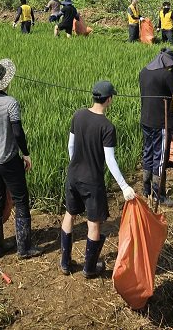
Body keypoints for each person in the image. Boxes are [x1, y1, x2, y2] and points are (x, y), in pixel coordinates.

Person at [59, 80, 136, 277]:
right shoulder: (107, 127)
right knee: (94, 223)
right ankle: (89, 268)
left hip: (73, 175)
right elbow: (110, 160)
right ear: (109, 99)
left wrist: (76, 164)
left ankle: (65, 263)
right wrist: (124, 186)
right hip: (92, 181)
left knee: (70, 214)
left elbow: (70, 146)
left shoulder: (78, 115)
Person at [0, 59, 42, 259]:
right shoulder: (10, 103)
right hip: (8, 159)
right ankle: (24, 248)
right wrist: (25, 153)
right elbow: (18, 132)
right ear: (5, 81)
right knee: (21, 200)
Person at [138, 49, 173, 206]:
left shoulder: (143, 71)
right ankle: (159, 195)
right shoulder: (167, 74)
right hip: (160, 122)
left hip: (145, 120)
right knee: (160, 156)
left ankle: (146, 189)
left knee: (148, 152)